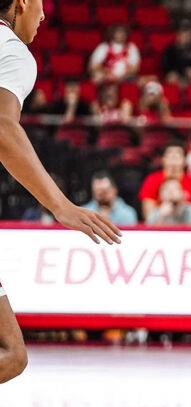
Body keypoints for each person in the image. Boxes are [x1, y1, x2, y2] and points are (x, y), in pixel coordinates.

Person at [0, 0, 121, 383]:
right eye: (39, 3)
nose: (44, 15)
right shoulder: (13, 52)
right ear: (20, 3)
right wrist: (60, 205)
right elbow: (3, 129)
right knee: (11, 354)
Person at [139, 141, 191, 220]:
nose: (173, 158)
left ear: (184, 160)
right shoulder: (152, 180)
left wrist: (180, 204)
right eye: (170, 155)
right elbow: (148, 215)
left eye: (177, 156)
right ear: (163, 159)